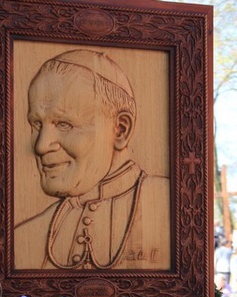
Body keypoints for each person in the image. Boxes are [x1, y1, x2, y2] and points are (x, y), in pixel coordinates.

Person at [13, 49, 170, 271]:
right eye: (37, 124)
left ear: (120, 130)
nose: (40, 146)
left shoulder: (171, 207)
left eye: (64, 124)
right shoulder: (24, 237)